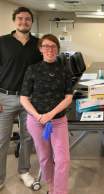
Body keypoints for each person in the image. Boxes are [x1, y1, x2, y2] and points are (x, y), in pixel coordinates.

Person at [20, 34, 73, 194]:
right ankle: (51, 186)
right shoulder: (33, 69)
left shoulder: (64, 70)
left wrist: (51, 114)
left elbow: (68, 97)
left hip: (58, 121)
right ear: (40, 49)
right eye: (46, 46)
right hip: (36, 121)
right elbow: (23, 98)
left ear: (57, 49)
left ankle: (60, 191)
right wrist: (37, 116)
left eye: (53, 46)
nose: (49, 49)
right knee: (44, 158)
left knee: (63, 160)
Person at [0, 7, 42, 190]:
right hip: (5, 98)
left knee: (27, 138)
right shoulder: (2, 42)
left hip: (29, 99)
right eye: (20, 18)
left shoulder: (38, 44)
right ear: (14, 20)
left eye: (27, 19)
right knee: (1, 140)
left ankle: (24, 171)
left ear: (31, 22)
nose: (23, 22)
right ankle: (0, 177)